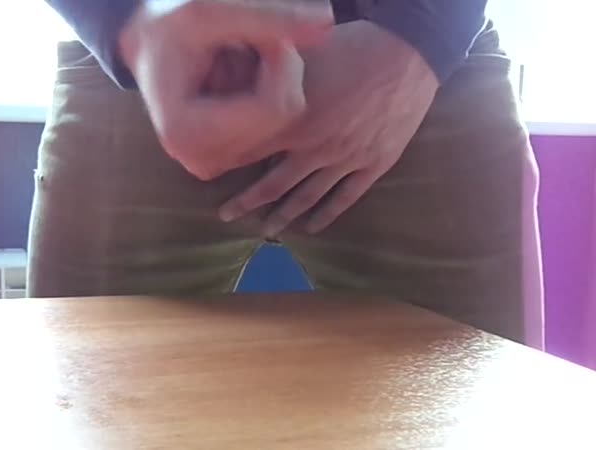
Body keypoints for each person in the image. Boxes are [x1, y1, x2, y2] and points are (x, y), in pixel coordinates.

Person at [28, 0, 545, 349]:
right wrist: (125, 20)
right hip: (149, 68)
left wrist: (422, 32)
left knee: (474, 426)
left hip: (418, 77)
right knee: (91, 425)